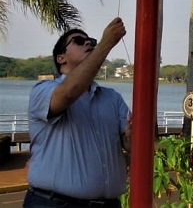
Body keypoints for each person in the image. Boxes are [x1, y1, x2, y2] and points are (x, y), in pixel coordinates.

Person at [25, 17, 130, 208]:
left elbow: (130, 144)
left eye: (92, 41)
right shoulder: (43, 90)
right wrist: (106, 44)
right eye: (79, 41)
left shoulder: (112, 98)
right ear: (61, 58)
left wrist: (133, 136)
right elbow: (68, 93)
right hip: (52, 203)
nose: (88, 42)